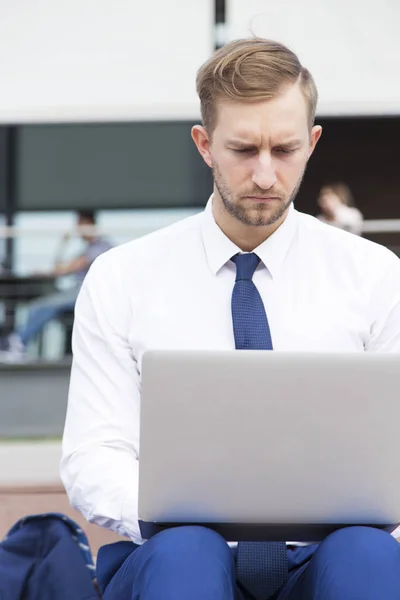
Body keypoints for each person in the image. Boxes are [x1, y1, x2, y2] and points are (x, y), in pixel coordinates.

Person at [61, 38, 400, 600]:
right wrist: (172, 512)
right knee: (188, 550)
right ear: (204, 145)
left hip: (327, 559)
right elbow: (93, 454)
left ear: (313, 143)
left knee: (367, 553)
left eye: (285, 149)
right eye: (244, 149)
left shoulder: (374, 275)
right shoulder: (122, 277)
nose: (266, 176)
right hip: (178, 560)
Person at [0, 209, 113, 360]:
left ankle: (18, 343)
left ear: (88, 224)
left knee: (42, 306)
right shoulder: (87, 249)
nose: (77, 231)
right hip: (79, 290)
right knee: (42, 306)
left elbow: (66, 270)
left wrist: (55, 263)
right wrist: (63, 245)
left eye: (79, 225)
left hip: (88, 292)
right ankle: (18, 342)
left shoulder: (101, 246)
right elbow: (59, 268)